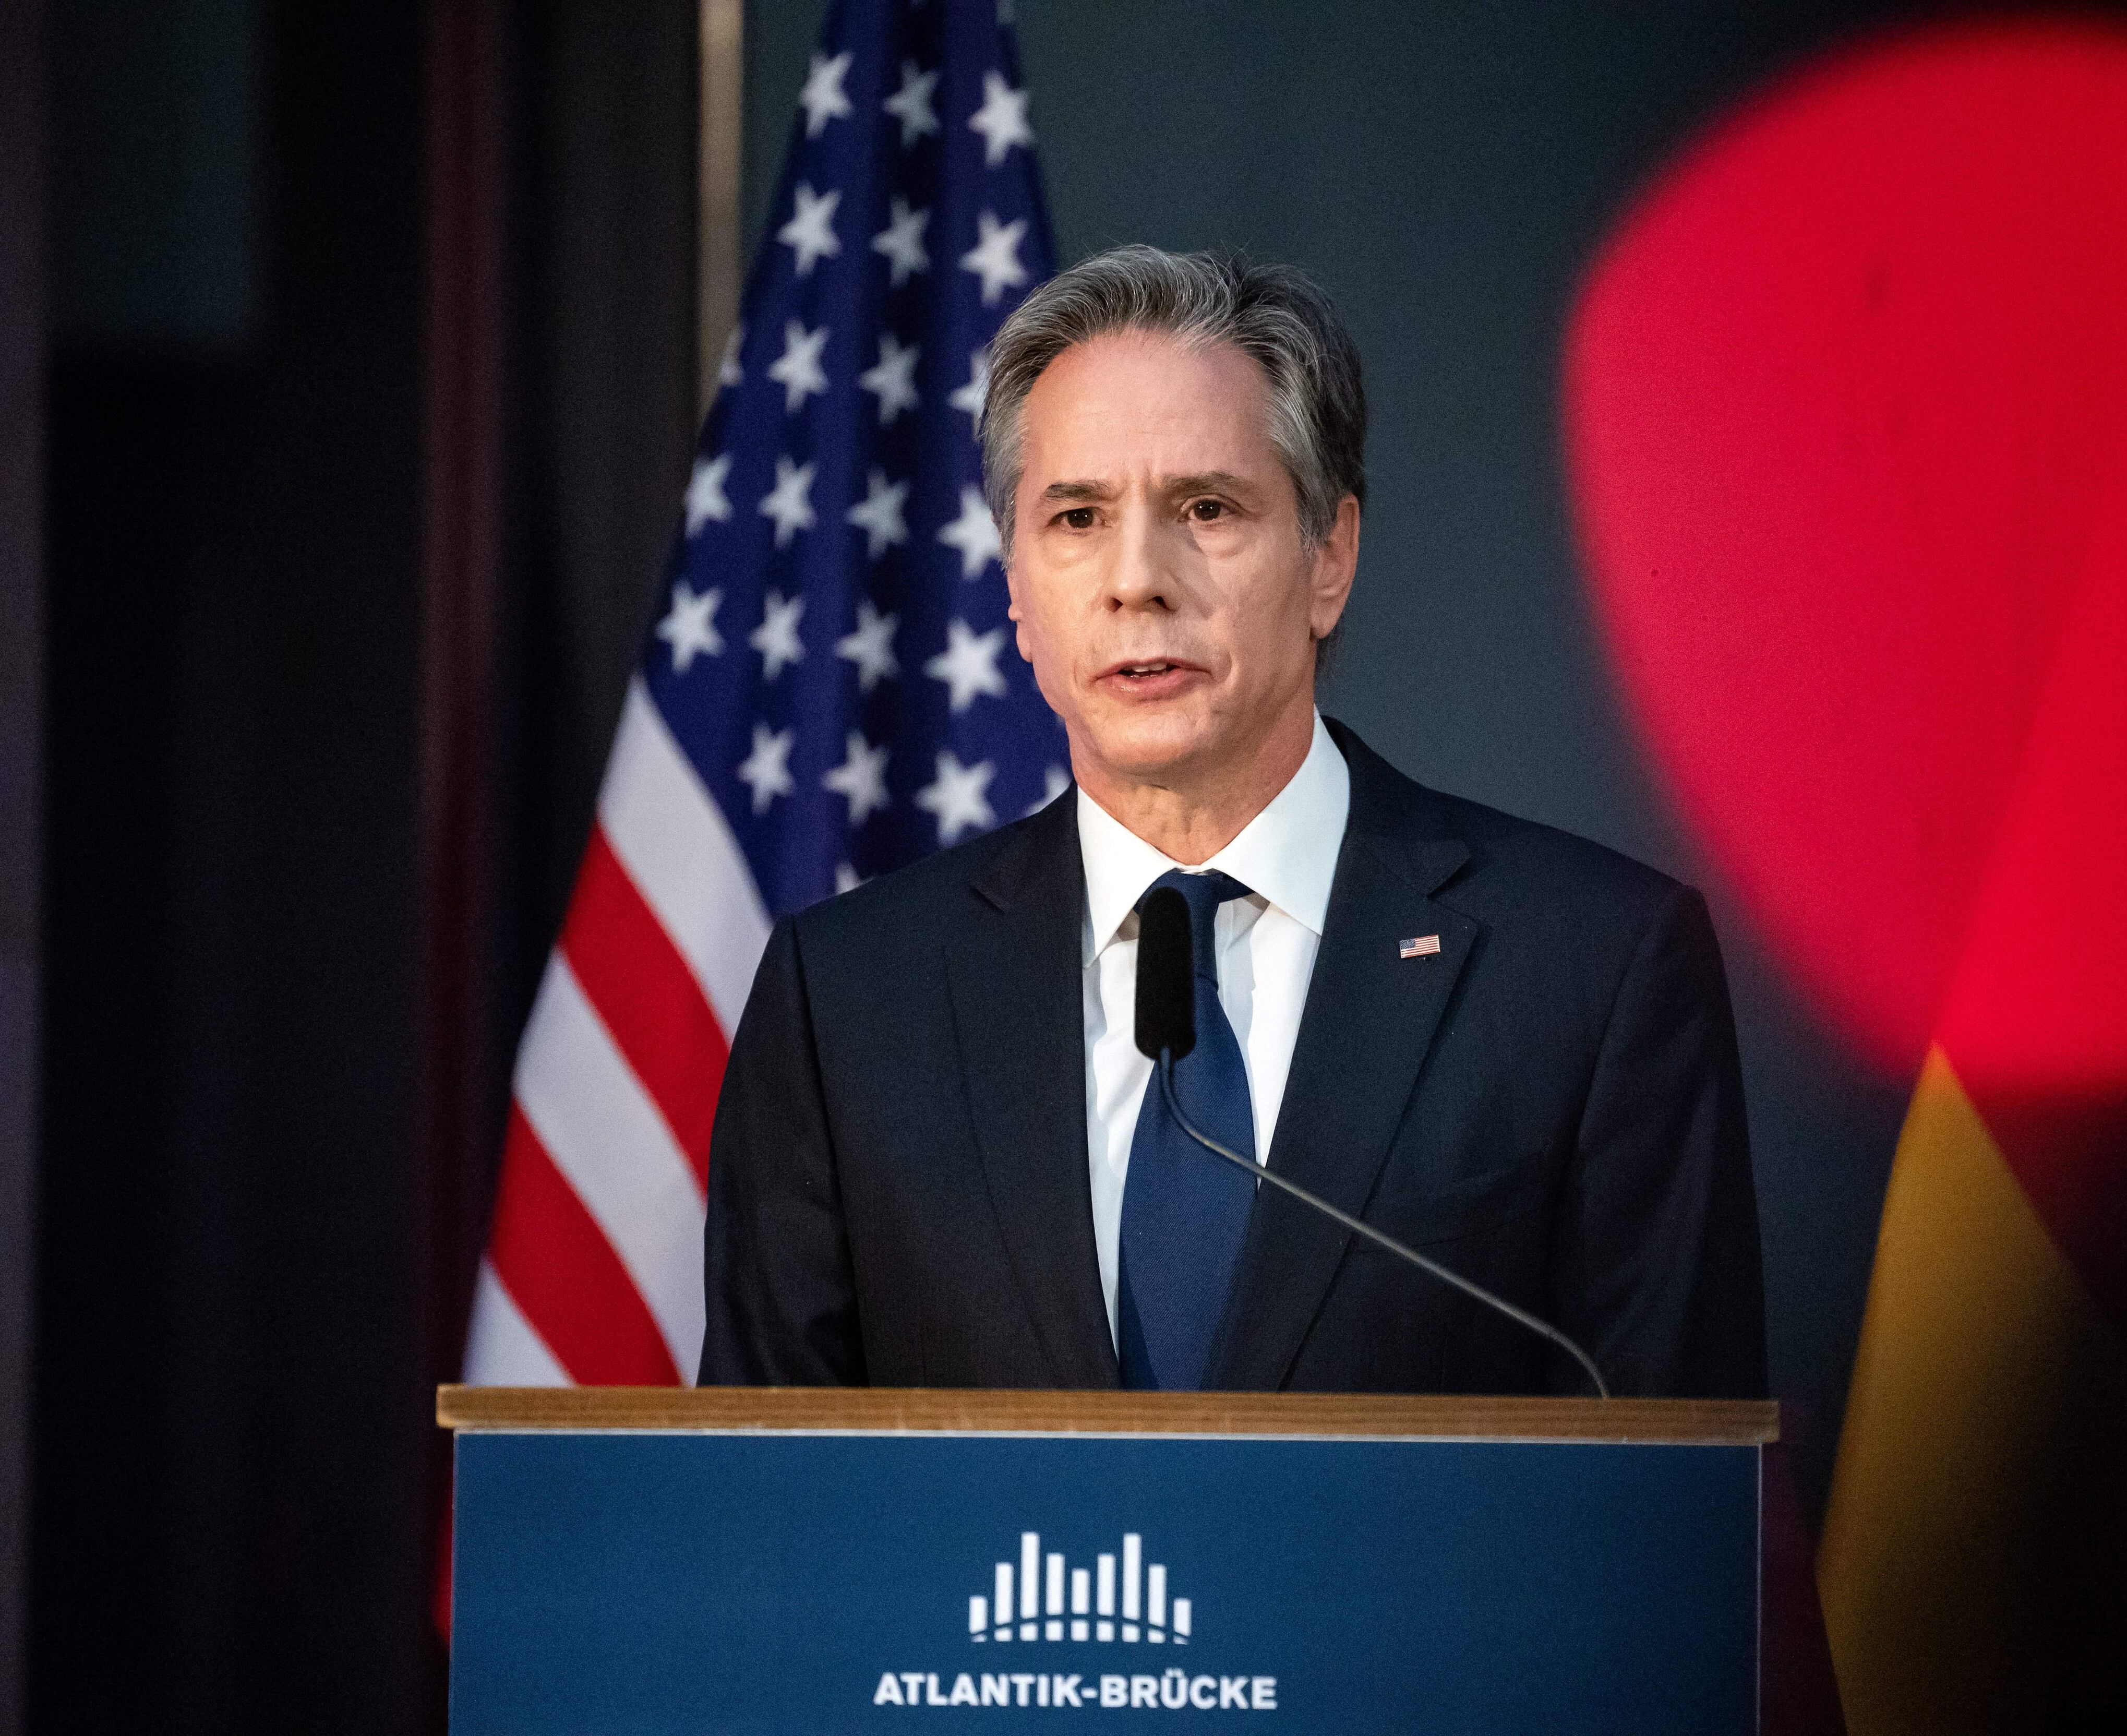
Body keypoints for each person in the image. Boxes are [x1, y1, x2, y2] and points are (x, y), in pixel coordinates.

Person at [700, 246, 1762, 1395]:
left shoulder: (1589, 973)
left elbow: (1677, 1519)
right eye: (1075, 516)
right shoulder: (850, 1002)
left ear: (1329, 558)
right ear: (1013, 588)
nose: (1136, 579)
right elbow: (765, 1518)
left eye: (1205, 507)